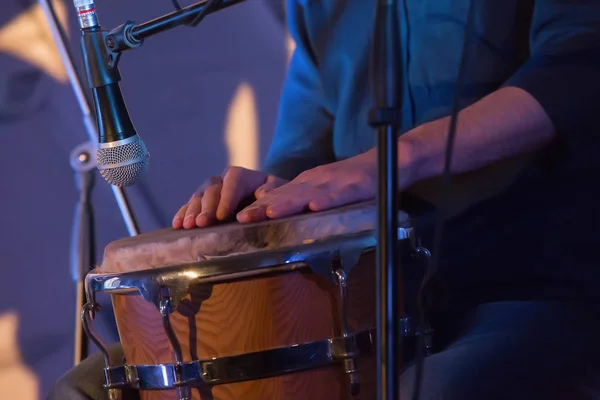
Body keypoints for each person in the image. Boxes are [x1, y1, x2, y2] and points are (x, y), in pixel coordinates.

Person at [50, 0, 600, 399]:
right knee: (85, 390)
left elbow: (577, 67)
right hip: (368, 300)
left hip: (529, 286)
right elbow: (304, 145)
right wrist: (263, 193)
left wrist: (387, 163)